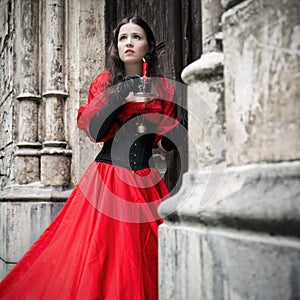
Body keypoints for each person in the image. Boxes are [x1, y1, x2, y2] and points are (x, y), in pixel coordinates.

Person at [0, 16, 185, 299]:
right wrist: (120, 96)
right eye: (123, 38)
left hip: (146, 182)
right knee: (98, 255)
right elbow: (97, 132)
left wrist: (173, 124)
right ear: (116, 46)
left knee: (145, 257)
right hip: (107, 179)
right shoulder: (105, 83)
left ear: (148, 45)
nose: (129, 43)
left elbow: (168, 144)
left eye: (136, 37)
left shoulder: (165, 89)